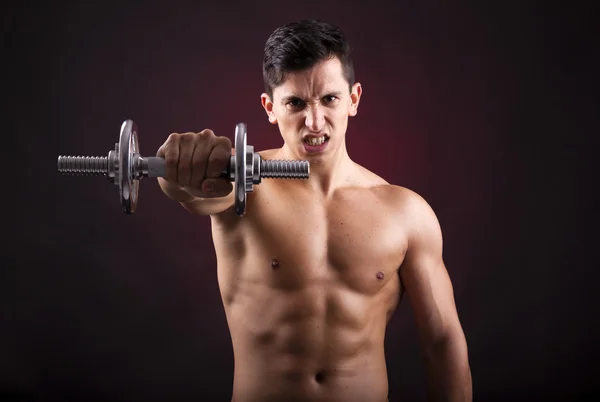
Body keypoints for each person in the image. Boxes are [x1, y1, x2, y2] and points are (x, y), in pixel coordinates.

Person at [156, 19, 472, 402]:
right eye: (295, 103)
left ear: (353, 99)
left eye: (329, 99)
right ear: (270, 107)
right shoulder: (240, 187)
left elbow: (441, 340)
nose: (314, 121)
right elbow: (193, 191)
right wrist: (176, 168)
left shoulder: (405, 212)